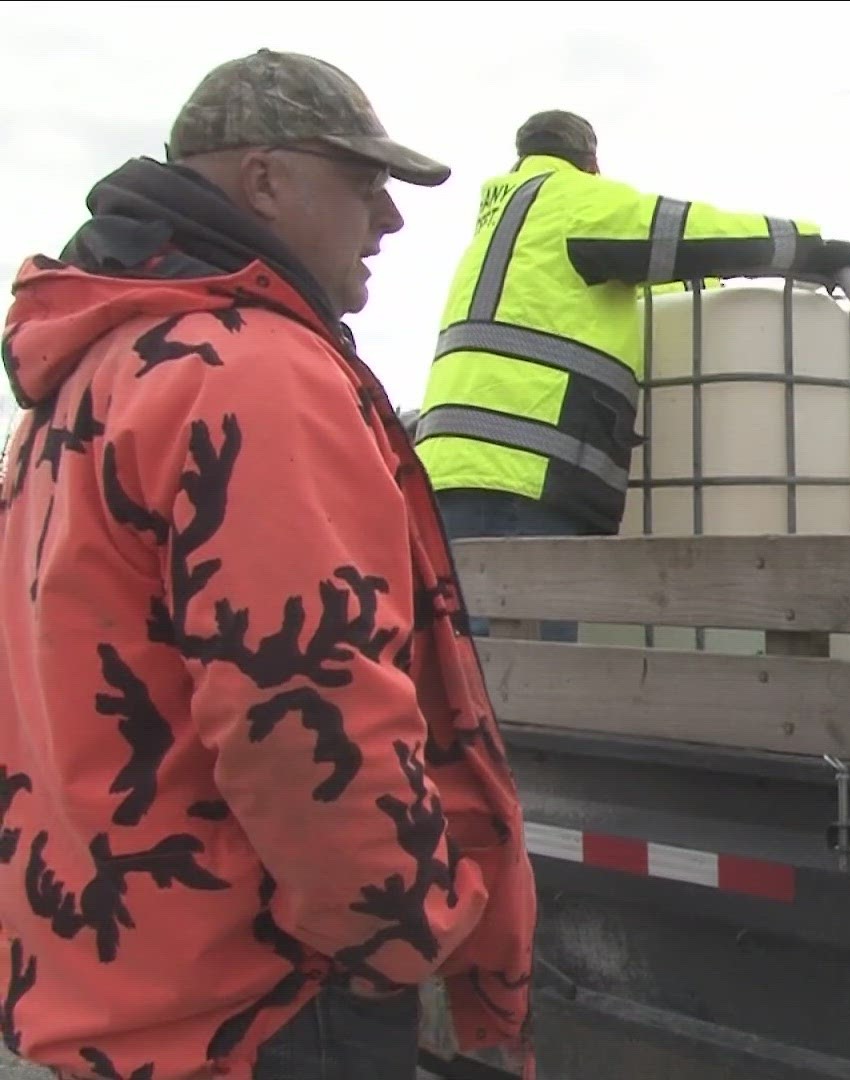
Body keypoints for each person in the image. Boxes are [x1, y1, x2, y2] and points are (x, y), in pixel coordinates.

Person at [0, 49, 536, 1080]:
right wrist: (398, 942)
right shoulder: (250, 373)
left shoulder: (86, 380)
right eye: (365, 182)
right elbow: (303, 703)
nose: (389, 220)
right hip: (258, 1009)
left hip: (102, 989)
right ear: (263, 180)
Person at [413, 110, 850, 641]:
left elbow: (644, 289)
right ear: (591, 163)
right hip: (521, 483)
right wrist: (806, 246)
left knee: (457, 662)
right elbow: (686, 233)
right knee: (527, 679)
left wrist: (716, 294)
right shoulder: (573, 199)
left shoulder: (508, 226)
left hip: (448, 477)